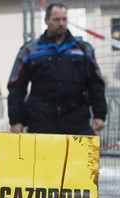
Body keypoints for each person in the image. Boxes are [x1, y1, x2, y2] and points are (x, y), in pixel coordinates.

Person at [8, 2, 106, 135]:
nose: (61, 23)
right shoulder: (30, 51)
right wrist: (16, 120)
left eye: (64, 19)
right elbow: (16, 86)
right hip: (41, 124)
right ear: (46, 20)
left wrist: (100, 114)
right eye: (56, 19)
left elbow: (96, 83)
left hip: (77, 123)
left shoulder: (83, 50)